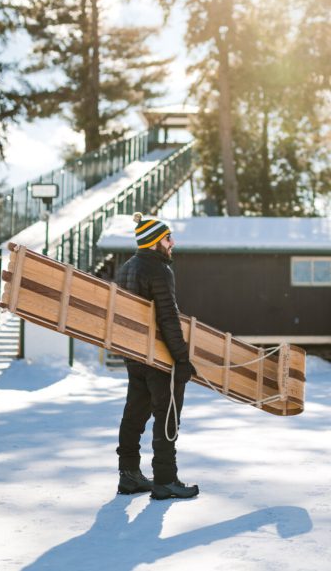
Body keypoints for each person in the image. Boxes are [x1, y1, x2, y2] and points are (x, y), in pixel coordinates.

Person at [115, 212, 199, 500]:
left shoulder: (128, 267)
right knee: (167, 416)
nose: (173, 242)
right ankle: (165, 480)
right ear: (154, 242)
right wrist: (182, 359)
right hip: (158, 357)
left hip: (135, 354)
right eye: (168, 238)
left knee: (134, 413)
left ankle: (129, 475)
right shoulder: (159, 270)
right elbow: (167, 318)